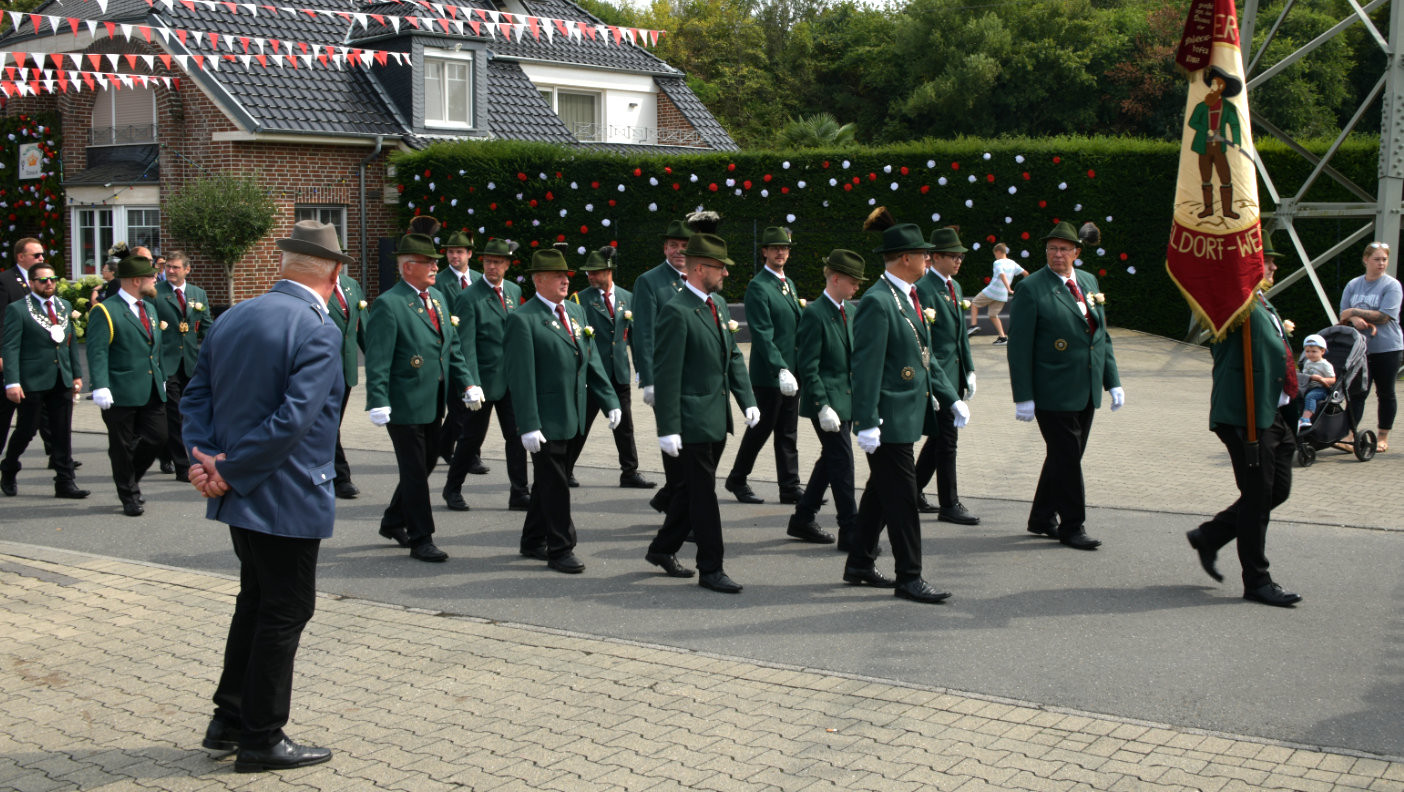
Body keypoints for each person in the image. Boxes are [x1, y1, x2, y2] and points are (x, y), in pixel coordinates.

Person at [181, 220, 348, 772]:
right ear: (335, 273)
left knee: (255, 602)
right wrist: (231, 469)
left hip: (239, 488)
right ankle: (262, 736)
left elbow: (196, 395)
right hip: (287, 492)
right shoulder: (318, 329)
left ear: (285, 265)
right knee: (286, 610)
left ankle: (229, 719)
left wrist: (207, 460)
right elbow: (293, 420)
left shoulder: (234, 315)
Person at [846, 210, 957, 603]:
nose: (930, 259)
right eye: (924, 254)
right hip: (887, 418)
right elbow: (866, 365)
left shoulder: (907, 296)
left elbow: (926, 356)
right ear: (905, 258)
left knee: (881, 491)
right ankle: (909, 576)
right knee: (904, 500)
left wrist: (950, 395)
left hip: (908, 413)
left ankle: (859, 560)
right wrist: (866, 420)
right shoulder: (878, 301)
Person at [645, 231, 759, 593]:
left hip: (715, 416)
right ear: (699, 268)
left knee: (689, 491)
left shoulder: (718, 305)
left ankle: (662, 549)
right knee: (704, 495)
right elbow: (667, 375)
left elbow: (733, 358)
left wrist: (748, 400)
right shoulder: (676, 312)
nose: (725, 274)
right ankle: (711, 567)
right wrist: (668, 427)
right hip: (691, 421)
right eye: (719, 268)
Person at [364, 222, 481, 561]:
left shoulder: (439, 299)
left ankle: (392, 520)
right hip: (403, 403)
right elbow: (378, 358)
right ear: (407, 267)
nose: (435, 267)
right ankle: (421, 537)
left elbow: (452, 347)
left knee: (427, 462)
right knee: (415, 470)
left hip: (434, 400)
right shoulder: (390, 304)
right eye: (428, 262)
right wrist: (377, 400)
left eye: (435, 262)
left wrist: (468, 382)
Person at [1007, 221, 1123, 550]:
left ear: (1076, 252)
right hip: (1052, 391)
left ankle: (1042, 516)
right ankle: (1073, 526)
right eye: (1052, 249)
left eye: (1064, 249)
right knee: (1068, 458)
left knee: (1064, 457)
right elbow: (1019, 347)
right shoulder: (1032, 288)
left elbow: (1101, 336)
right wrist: (1024, 396)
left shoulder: (1087, 281)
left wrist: (1112, 380)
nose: (1057, 255)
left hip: (1085, 387)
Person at [506, 247, 621, 573]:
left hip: (574, 414)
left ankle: (531, 540)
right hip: (544, 418)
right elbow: (521, 376)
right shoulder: (523, 319)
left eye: (566, 275)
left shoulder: (575, 311)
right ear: (538, 280)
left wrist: (609, 399)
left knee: (547, 482)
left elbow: (592, 360)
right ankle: (560, 547)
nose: (564, 280)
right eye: (557, 276)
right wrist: (528, 424)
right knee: (556, 485)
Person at [1187, 299, 1302, 607]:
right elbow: (1213, 333)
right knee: (1257, 498)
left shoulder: (1264, 306)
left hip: (1273, 414)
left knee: (1277, 489)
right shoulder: (1233, 306)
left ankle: (1210, 535)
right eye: (1264, 263)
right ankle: (1257, 581)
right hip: (1245, 416)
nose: (1272, 269)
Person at [443, 236, 528, 510]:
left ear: (507, 265)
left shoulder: (513, 291)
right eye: (489, 261)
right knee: (471, 438)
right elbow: (465, 343)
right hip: (484, 380)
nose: (493, 267)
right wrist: (470, 383)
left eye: (498, 262)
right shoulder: (469, 297)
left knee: (516, 436)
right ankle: (452, 488)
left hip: (511, 380)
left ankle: (519, 492)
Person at [787, 250, 865, 548]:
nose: (857, 286)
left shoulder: (851, 312)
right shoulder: (815, 313)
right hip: (827, 403)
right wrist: (821, 406)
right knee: (843, 462)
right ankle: (851, 530)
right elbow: (808, 366)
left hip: (846, 401)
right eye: (853, 281)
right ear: (836, 278)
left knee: (831, 460)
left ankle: (803, 517)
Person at [724, 226, 806, 508]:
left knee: (788, 431)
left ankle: (789, 485)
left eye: (785, 248)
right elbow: (762, 333)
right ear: (765, 252)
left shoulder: (788, 284)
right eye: (775, 248)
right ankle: (737, 478)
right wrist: (780, 368)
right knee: (761, 429)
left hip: (790, 373)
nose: (781, 252)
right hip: (771, 375)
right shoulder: (759, 286)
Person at [566, 245, 655, 489]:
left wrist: (642, 371)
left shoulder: (628, 298)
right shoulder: (579, 300)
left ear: (608, 271)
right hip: (594, 375)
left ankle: (629, 472)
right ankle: (565, 469)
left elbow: (636, 338)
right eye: (588, 274)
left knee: (625, 426)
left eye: (595, 272)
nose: (591, 277)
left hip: (619, 373)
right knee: (581, 425)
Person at [87, 254, 168, 517]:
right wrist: (100, 385)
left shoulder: (149, 307)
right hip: (120, 389)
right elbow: (97, 351)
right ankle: (129, 495)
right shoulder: (105, 310)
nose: (155, 279)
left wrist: (162, 376)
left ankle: (130, 477)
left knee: (158, 437)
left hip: (150, 386)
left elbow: (155, 349)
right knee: (121, 445)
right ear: (136, 280)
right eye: (151, 276)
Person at [1, 261, 88, 499]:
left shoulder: (63, 306)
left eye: (52, 279)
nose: (49, 283)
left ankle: (65, 481)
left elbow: (69, 343)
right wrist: (12, 381)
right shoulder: (18, 309)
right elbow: (10, 347)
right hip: (32, 380)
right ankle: (9, 466)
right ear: (32, 283)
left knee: (62, 432)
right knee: (27, 430)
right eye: (42, 280)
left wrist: (76, 374)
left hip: (61, 378)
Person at [913, 227, 976, 524]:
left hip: (954, 375)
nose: (958, 260)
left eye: (960, 256)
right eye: (952, 256)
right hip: (937, 378)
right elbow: (926, 343)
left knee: (939, 439)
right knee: (948, 441)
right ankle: (949, 504)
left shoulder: (955, 287)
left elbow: (961, 335)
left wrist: (971, 370)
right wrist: (941, 388)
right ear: (935, 256)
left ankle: (912, 489)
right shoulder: (924, 289)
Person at [631, 217, 693, 514]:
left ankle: (670, 497)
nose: (678, 251)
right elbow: (643, 332)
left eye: (684, 246)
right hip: (665, 376)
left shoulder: (697, 276)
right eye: (673, 245)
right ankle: (679, 503)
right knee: (675, 441)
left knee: (691, 443)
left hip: (693, 377)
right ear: (664, 248)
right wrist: (648, 378)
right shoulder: (650, 281)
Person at [153, 252, 214, 482]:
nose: (171, 271)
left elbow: (206, 325)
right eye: (168, 267)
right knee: (174, 413)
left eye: (176, 267)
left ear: (187, 269)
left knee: (192, 413)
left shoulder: (198, 293)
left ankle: (170, 452)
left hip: (190, 361)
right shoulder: (156, 293)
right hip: (166, 361)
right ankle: (182, 465)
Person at [1338, 241, 1402, 452]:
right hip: (1359, 349)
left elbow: (1384, 316)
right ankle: (1349, 433)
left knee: (1385, 392)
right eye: (1377, 259)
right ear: (1366, 260)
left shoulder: (1391, 285)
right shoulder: (1353, 285)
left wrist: (1353, 312)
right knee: (1357, 392)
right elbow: (1343, 315)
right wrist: (1352, 317)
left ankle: (1383, 436)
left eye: (1384, 259)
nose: (1381, 263)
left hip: (1386, 347)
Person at [436, 229, 479, 466]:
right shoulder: (441, 281)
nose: (455, 256)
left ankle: (443, 444)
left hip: (476, 350)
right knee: (460, 405)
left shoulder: (478, 279)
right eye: (451, 252)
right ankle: (470, 455)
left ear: (469, 254)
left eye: (459, 252)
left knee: (470, 406)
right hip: (452, 350)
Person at [1, 238, 46, 456]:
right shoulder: (6, 281)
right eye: (36, 255)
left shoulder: (43, 282)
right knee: (5, 415)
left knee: (42, 416)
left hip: (38, 362)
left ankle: (59, 459)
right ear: (21, 257)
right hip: (13, 359)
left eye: (42, 255)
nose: (41, 258)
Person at [327, 264, 366, 499]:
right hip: (323, 369)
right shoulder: (316, 286)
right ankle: (340, 477)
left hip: (347, 368)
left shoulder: (351, 286)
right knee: (329, 424)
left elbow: (364, 329)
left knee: (332, 424)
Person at [1188, 65, 1244, 221]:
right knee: (1206, 177)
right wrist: (1206, 130)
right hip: (1203, 146)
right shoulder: (1202, 106)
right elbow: (1192, 122)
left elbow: (1234, 125)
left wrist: (1237, 141)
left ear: (1220, 87)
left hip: (1219, 147)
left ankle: (1227, 210)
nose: (1211, 87)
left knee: (1225, 177)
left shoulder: (1228, 107)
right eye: (1211, 84)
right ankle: (1208, 209)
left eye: (1214, 84)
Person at [968, 243, 1027, 344]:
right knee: (993, 315)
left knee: (974, 303)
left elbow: (1002, 274)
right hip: (1002, 295)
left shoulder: (998, 262)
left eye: (995, 254)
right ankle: (1003, 338)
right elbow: (1025, 273)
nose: (995, 256)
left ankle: (973, 326)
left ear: (998, 252)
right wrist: (1024, 288)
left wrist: (1009, 288)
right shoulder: (1012, 263)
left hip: (993, 290)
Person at [1296, 334, 1335, 429]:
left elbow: (1333, 379)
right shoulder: (1307, 362)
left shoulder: (1325, 365)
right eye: (1307, 351)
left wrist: (1321, 379)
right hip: (1308, 386)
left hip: (1321, 388)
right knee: (1295, 394)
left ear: (1322, 351)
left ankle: (1306, 419)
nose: (1310, 354)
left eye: (1314, 351)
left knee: (1311, 396)